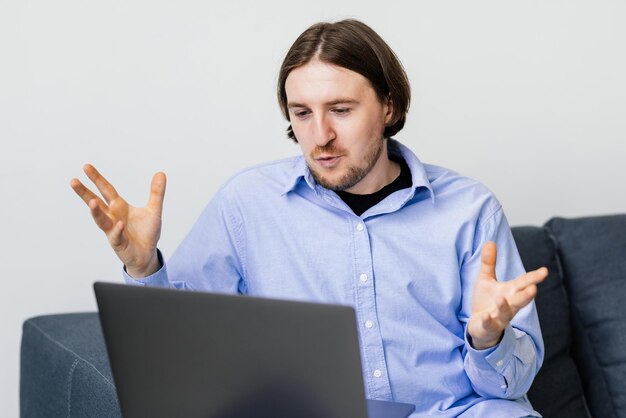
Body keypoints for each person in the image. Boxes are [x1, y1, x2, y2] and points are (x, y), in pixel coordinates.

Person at [71, 19, 548, 418]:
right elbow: (178, 357)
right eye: (301, 113)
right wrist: (143, 267)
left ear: (389, 106)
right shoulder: (248, 203)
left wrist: (488, 338)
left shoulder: (469, 209)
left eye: (341, 110)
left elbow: (507, 387)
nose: (320, 136)